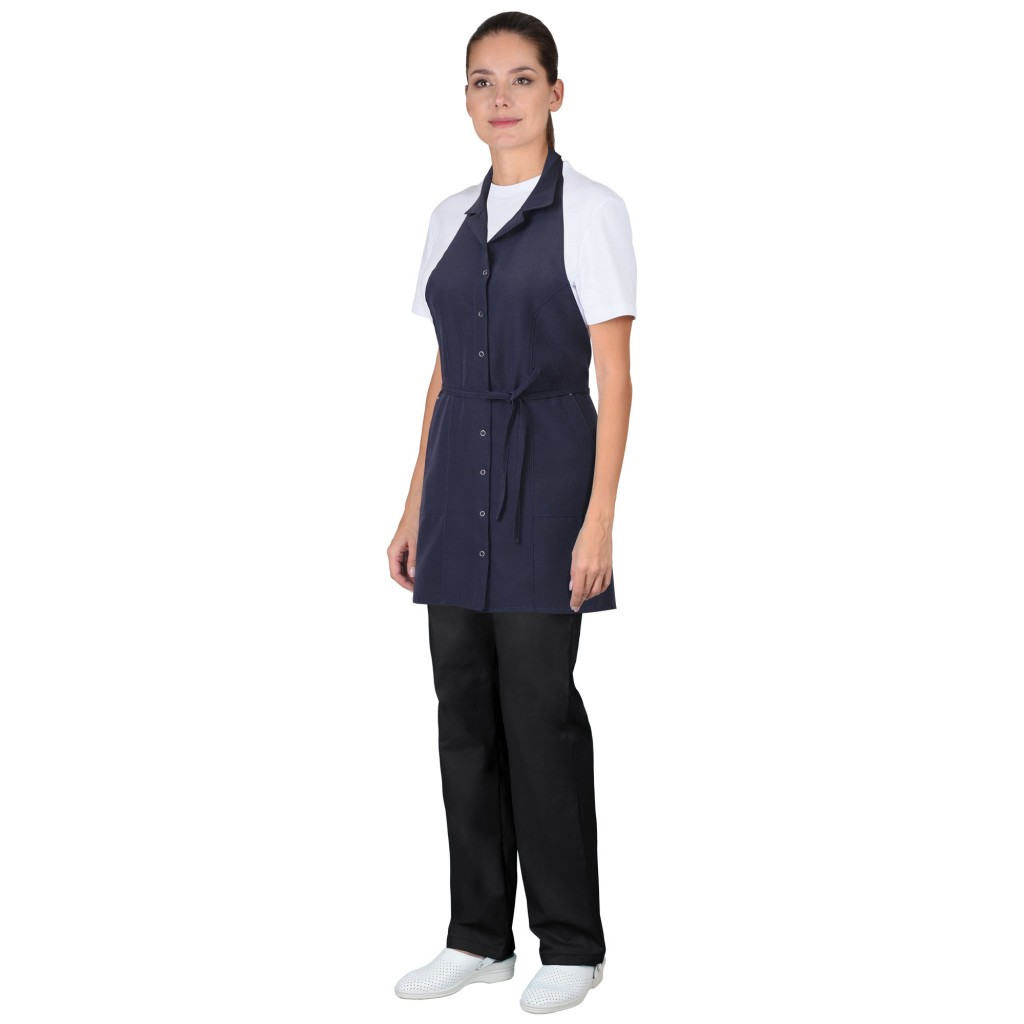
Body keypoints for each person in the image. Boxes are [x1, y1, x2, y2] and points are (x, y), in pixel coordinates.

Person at [387, 11, 636, 1015]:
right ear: (465, 99)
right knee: (463, 714)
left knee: (540, 713)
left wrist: (599, 520)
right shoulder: (448, 216)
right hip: (457, 491)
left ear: (555, 94)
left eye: (521, 79)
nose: (501, 98)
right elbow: (444, 372)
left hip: (546, 485)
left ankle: (571, 942)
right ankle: (478, 938)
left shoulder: (593, 212)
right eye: (482, 81)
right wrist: (413, 504)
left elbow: (616, 378)